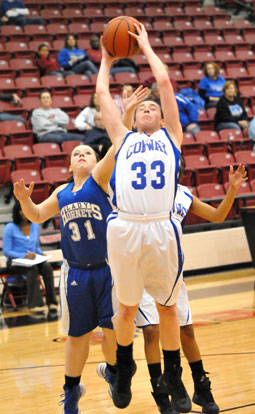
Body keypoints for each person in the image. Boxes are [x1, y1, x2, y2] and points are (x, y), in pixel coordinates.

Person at [13, 86, 149, 414]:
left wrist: (126, 113)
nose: (82, 156)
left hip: (107, 270)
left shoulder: (100, 180)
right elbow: (35, 216)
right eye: (77, 154)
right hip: (75, 273)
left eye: (87, 153)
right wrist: (24, 200)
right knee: (76, 336)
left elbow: (119, 146)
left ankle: (115, 374)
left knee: (111, 332)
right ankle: (71, 392)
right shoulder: (61, 192)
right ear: (70, 164)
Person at [97, 160, 247, 414]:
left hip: (170, 270)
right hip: (139, 272)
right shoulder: (135, 191)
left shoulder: (184, 194)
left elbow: (218, 215)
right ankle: (161, 395)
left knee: (187, 331)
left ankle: (201, 388)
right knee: (151, 331)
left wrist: (232, 188)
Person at [96, 23, 191, 413]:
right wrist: (105, 57)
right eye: (143, 108)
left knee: (168, 308)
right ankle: (123, 367)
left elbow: (164, 84)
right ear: (134, 119)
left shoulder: (173, 138)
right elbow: (102, 93)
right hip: (124, 227)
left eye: (154, 107)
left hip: (161, 226)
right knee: (127, 309)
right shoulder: (122, 138)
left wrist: (147, 47)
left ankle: (174, 378)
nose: (150, 108)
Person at [2, 201, 58, 313]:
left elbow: (36, 247)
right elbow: (7, 251)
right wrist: (24, 256)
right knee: (32, 269)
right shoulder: (10, 227)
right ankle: (35, 304)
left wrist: (41, 254)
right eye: (20, 210)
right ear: (16, 212)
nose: (23, 213)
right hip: (15, 261)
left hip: (32, 259)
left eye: (25, 210)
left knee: (47, 267)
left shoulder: (35, 226)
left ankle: (52, 302)